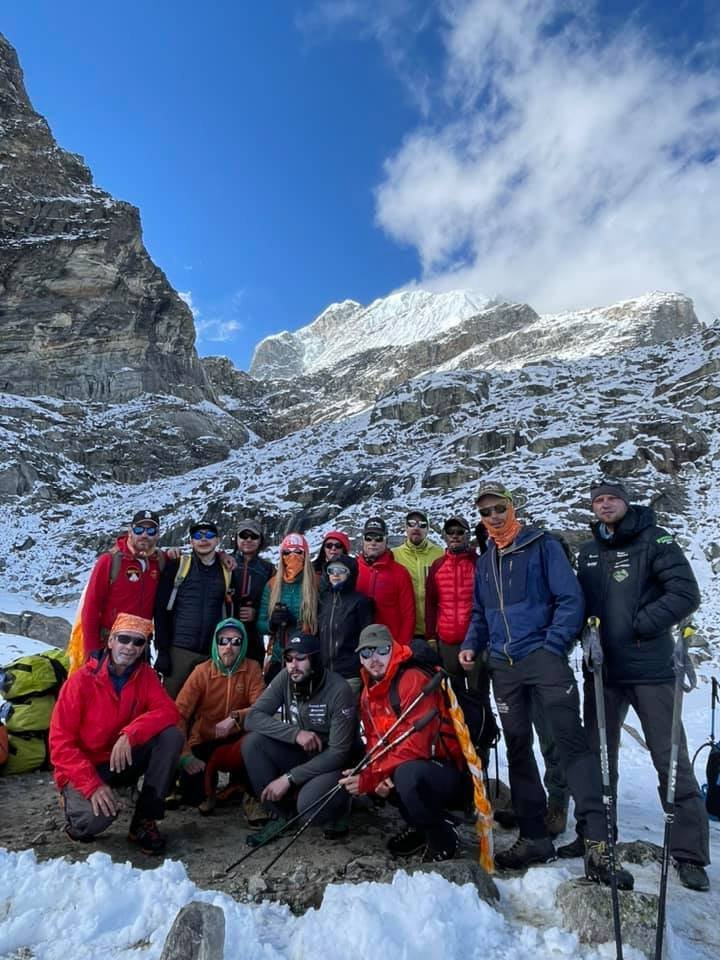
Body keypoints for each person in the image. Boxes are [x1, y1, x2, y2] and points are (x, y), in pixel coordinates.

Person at [459, 481, 634, 887]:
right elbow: (481, 613)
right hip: (503, 666)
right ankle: (535, 837)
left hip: (543, 659)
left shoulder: (542, 546)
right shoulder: (485, 562)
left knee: (572, 744)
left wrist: (552, 646)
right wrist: (471, 643)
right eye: (485, 513)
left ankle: (598, 844)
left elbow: (570, 600)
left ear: (512, 507)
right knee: (519, 749)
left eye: (499, 508)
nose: (494, 517)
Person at [571, 479, 709, 891]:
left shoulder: (655, 540)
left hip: (650, 669)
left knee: (670, 759)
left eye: (612, 498)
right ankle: (597, 839)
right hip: (603, 672)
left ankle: (689, 854)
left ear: (626, 502)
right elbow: (581, 603)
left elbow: (686, 593)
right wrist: (584, 632)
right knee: (598, 757)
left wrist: (639, 626)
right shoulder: (589, 551)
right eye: (598, 500)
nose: (605, 504)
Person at [49, 613, 182, 855]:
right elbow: (60, 744)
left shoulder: (145, 676)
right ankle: (74, 810)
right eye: (124, 639)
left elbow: (169, 712)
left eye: (138, 642)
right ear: (110, 641)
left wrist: (131, 733)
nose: (130, 647)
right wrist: (92, 785)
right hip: (85, 766)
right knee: (94, 821)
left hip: (119, 760)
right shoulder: (80, 682)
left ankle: (144, 820)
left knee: (170, 736)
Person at [339, 624, 466, 862]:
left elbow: (417, 745)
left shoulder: (413, 679)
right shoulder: (368, 693)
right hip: (411, 763)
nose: (374, 658)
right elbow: (376, 742)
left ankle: (442, 834)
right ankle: (419, 826)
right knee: (388, 774)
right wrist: (371, 772)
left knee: (407, 775)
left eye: (381, 650)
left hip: (444, 770)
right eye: (366, 653)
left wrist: (373, 777)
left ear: (393, 649)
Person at [242, 632, 358, 844]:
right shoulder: (286, 678)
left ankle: (342, 807)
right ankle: (280, 815)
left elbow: (339, 753)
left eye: (300, 658)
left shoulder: (339, 690)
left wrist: (289, 778)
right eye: (289, 659)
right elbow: (253, 718)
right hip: (303, 753)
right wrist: (295, 734)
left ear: (314, 660)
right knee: (253, 743)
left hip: (333, 764)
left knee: (309, 807)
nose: (293, 665)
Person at [174, 618, 265, 815]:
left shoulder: (252, 668)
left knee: (259, 741)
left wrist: (235, 717)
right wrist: (185, 755)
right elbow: (178, 714)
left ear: (244, 644)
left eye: (236, 641)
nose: (229, 647)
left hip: (237, 737)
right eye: (223, 641)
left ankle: (251, 795)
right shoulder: (202, 672)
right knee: (193, 797)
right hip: (205, 739)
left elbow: (262, 707)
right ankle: (208, 791)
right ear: (216, 643)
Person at [153, 520, 236, 698]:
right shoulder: (178, 565)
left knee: (203, 707)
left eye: (209, 535)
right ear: (191, 541)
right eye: (198, 536)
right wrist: (163, 651)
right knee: (172, 705)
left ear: (218, 540)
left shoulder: (226, 570)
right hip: (179, 651)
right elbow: (160, 611)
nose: (203, 539)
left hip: (211, 653)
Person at [77, 510, 165, 663]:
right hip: (108, 645)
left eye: (151, 531)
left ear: (157, 535)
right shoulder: (110, 561)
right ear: (130, 531)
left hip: (139, 646)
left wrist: (221, 557)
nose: (144, 535)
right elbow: (91, 607)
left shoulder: (160, 562)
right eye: (139, 529)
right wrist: (92, 652)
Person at [257, 533, 319, 681]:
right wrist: (272, 624)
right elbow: (260, 623)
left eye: (298, 552)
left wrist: (298, 624)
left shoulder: (316, 583)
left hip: (307, 658)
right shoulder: (272, 585)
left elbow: (325, 619)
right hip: (279, 657)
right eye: (287, 552)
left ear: (305, 554)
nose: (292, 557)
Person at [317, 554, 374, 693]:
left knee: (345, 712)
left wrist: (358, 665)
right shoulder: (323, 600)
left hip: (350, 674)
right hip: (323, 672)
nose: (335, 575)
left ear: (350, 574)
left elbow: (367, 637)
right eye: (331, 571)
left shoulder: (360, 602)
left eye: (341, 571)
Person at [356, 516, 415, 647]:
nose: (373, 542)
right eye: (369, 538)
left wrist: (402, 647)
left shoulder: (400, 572)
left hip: (390, 644)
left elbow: (408, 614)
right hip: (359, 645)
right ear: (363, 540)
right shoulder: (353, 569)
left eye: (379, 538)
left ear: (386, 540)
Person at [392, 510, 444, 638]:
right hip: (406, 630)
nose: (416, 527)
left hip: (436, 629)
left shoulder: (440, 554)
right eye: (411, 523)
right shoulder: (393, 555)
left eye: (422, 524)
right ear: (405, 528)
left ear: (427, 529)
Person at [232, 518, 274, 666]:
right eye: (244, 535)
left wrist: (256, 613)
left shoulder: (268, 569)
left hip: (253, 636)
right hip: (225, 632)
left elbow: (272, 602)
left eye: (254, 536)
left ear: (260, 540)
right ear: (236, 538)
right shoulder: (224, 562)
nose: (248, 540)